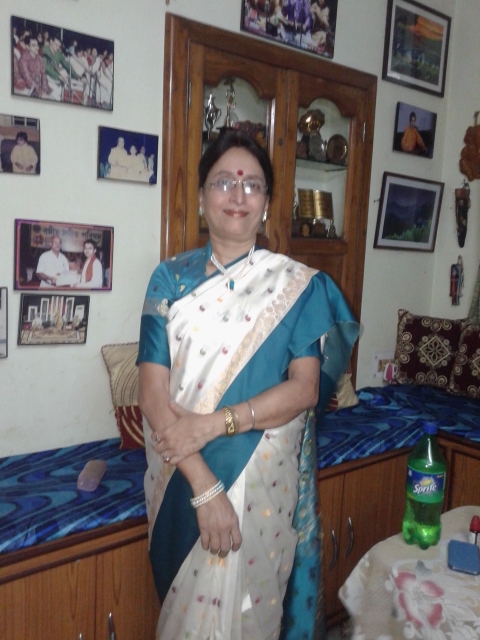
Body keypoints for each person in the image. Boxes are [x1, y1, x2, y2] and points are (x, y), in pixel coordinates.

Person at [137, 131, 358, 639]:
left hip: (263, 486)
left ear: (267, 205)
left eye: (252, 185)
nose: (238, 195)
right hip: (183, 481)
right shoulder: (168, 279)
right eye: (223, 182)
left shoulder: (298, 286)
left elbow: (304, 390)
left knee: (252, 619)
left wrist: (215, 424)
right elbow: (152, 395)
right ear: (201, 198)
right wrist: (205, 488)